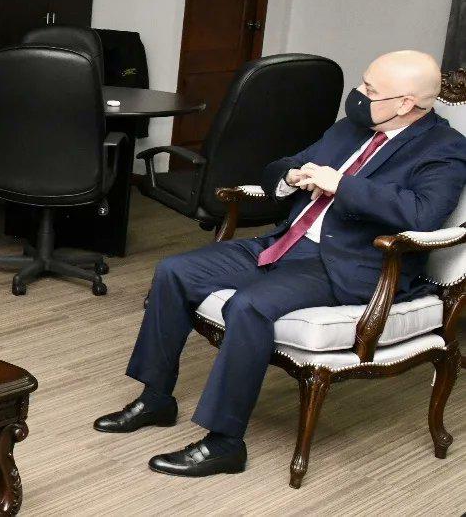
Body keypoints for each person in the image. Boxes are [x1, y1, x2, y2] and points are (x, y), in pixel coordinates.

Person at [93, 51, 466, 477]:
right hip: (288, 242)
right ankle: (156, 398)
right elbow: (283, 165)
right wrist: (291, 177)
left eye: (370, 89)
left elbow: (422, 214)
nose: (359, 94)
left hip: (350, 265)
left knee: (249, 305)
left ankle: (225, 443)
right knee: (174, 271)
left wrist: (341, 184)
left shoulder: (445, 148)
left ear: (405, 103)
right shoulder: (352, 128)